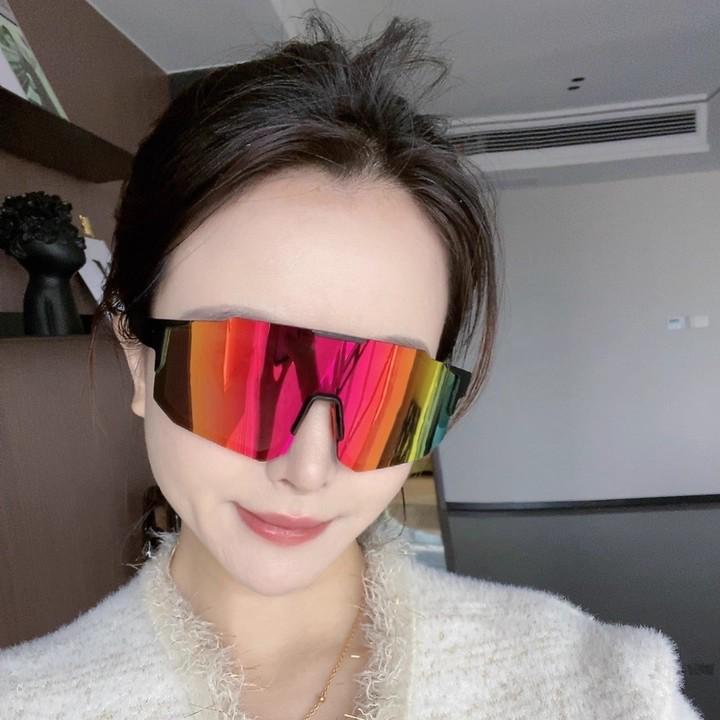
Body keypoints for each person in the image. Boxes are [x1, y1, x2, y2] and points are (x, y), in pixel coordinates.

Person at [0, 10, 702, 720]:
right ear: (138, 359)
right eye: (244, 373)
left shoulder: (599, 688)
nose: (309, 469)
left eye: (384, 393)